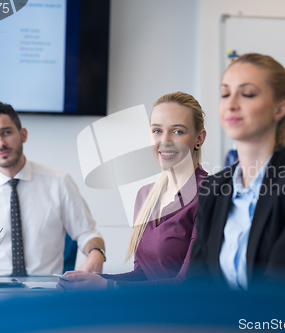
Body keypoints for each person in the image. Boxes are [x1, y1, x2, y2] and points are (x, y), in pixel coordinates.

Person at [187, 54, 285, 290]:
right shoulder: (213, 187)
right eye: (225, 93)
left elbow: (282, 285)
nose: (231, 104)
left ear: (279, 109)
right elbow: (197, 283)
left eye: (247, 94)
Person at [58, 91, 207, 291]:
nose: (164, 141)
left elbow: (188, 285)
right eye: (156, 131)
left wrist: (108, 286)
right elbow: (143, 274)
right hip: (148, 313)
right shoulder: (145, 195)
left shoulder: (210, 194)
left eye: (178, 131)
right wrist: (89, 280)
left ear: (199, 138)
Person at [0, 102, 105, 277]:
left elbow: (88, 234)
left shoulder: (59, 182)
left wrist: (96, 253)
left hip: (45, 294)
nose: (0, 143)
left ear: (23, 135)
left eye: (6, 132)